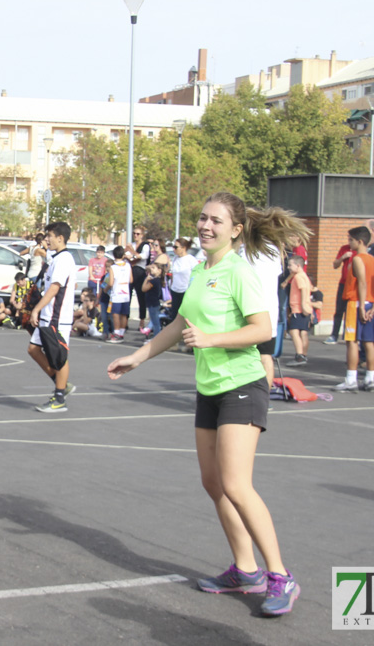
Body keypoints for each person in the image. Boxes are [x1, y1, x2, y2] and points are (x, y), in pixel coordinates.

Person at [107, 192, 307, 618]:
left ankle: (280, 577)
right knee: (213, 484)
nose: (205, 226)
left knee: (236, 484)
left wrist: (212, 339)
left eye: (216, 221)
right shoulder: (201, 270)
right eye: (202, 218)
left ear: (235, 229)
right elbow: (181, 324)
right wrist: (137, 357)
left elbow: (263, 329)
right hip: (210, 388)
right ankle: (245, 569)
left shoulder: (240, 271)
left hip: (242, 385)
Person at [30, 222, 77, 413]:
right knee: (33, 349)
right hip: (47, 317)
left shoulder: (65, 259)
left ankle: (59, 398)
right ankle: (62, 384)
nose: (46, 239)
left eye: (50, 236)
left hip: (56, 318)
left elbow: (54, 288)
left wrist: (36, 309)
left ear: (60, 238)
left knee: (60, 358)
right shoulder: (55, 258)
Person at [334, 226, 374, 392]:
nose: (349, 243)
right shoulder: (372, 259)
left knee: (352, 341)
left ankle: (351, 379)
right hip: (369, 301)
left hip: (356, 302)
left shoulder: (358, 259)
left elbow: (362, 282)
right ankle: (370, 379)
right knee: (369, 342)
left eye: (351, 240)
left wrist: (360, 305)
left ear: (360, 241)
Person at [245, 242, 285, 386]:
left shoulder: (245, 251)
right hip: (268, 312)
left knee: (258, 356)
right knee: (265, 356)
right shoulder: (273, 250)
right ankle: (264, 398)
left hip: (253, 312)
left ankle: (258, 397)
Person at [284, 255, 313, 366]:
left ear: (298, 265)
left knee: (294, 332)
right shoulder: (304, 276)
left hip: (298, 309)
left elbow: (303, 291)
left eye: (290, 265)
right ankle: (303, 355)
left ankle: (299, 356)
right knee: (303, 333)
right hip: (303, 308)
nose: (288, 267)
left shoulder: (298, 277)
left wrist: (302, 305)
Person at [324, 242, 354, 345]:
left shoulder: (360, 251)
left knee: (350, 311)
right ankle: (334, 335)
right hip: (343, 283)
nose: (350, 241)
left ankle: (348, 335)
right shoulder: (344, 248)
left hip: (353, 285)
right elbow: (335, 265)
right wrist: (343, 257)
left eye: (351, 239)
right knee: (339, 310)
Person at [105, 245, 132, 342]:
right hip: (125, 294)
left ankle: (116, 334)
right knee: (124, 314)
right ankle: (121, 333)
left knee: (115, 314)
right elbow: (131, 279)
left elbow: (111, 282)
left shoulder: (113, 267)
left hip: (116, 293)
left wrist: (106, 287)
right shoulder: (128, 265)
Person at [128, 227, 151, 331]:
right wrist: (133, 255)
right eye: (134, 233)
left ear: (142, 235)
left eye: (138, 234)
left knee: (141, 297)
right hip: (131, 271)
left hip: (140, 272)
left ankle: (141, 321)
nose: (135, 235)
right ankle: (125, 320)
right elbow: (128, 256)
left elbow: (143, 256)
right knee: (127, 295)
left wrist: (133, 253)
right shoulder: (132, 245)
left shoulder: (145, 245)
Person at [169, 238, 198, 317]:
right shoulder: (175, 259)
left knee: (185, 315)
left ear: (183, 248)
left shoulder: (191, 260)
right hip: (175, 290)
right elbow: (173, 274)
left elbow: (196, 276)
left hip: (185, 291)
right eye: (173, 247)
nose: (174, 249)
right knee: (174, 315)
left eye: (176, 247)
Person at [141, 263, 164, 340]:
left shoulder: (154, 281)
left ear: (159, 270)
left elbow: (144, 289)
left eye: (153, 268)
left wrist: (146, 279)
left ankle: (156, 337)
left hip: (153, 304)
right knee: (154, 320)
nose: (151, 269)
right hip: (153, 303)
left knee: (155, 321)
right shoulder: (157, 280)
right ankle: (156, 336)